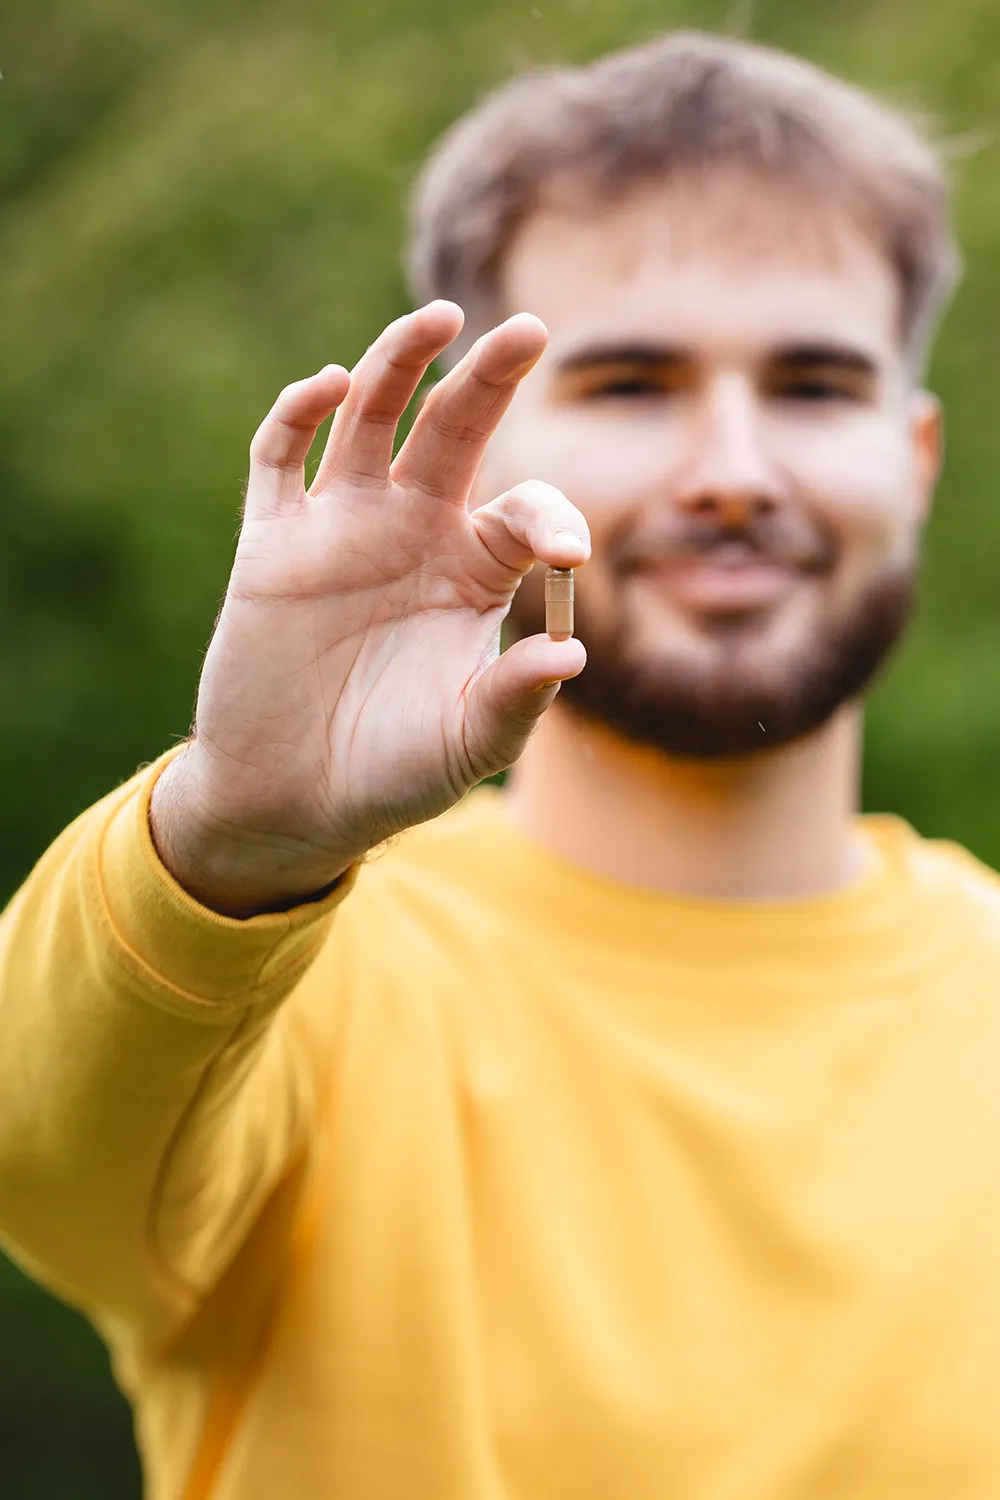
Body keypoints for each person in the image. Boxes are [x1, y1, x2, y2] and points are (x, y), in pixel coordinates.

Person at [0, 26, 992, 1500]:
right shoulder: (277, 974)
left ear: (910, 460)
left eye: (811, 385)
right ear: (479, 451)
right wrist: (242, 831)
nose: (733, 465)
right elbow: (34, 1141)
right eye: (635, 384)